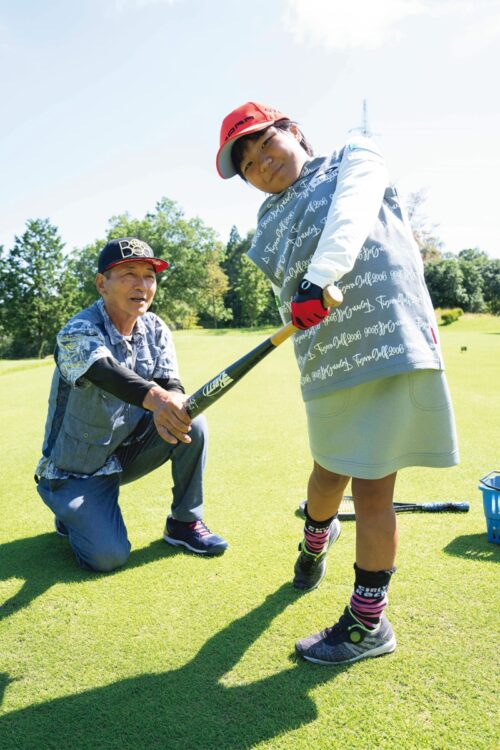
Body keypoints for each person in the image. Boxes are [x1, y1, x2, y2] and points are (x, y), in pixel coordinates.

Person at [215, 102, 459, 665]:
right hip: (326, 361)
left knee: (373, 489)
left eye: (264, 145)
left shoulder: (357, 155)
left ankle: (366, 624)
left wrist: (317, 278)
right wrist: (301, 291)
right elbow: (289, 285)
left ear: (295, 132)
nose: (261, 165)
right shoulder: (267, 223)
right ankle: (315, 539)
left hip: (390, 345)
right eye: (247, 164)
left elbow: (350, 214)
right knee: (327, 478)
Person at [35, 237, 228, 572]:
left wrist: (177, 400)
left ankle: (183, 524)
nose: (142, 285)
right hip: (75, 472)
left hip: (124, 453)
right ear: (102, 284)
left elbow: (170, 384)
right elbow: (105, 372)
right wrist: (160, 398)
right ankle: (70, 514)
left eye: (149, 276)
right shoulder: (78, 330)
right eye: (129, 274)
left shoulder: (155, 326)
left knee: (191, 421)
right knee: (108, 558)